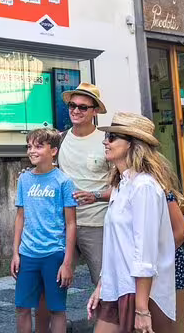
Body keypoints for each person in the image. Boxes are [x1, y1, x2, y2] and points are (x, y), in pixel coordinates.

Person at [87, 112, 177, 333]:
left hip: (137, 291)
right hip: (116, 286)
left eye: (112, 137)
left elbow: (145, 253)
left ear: (131, 144)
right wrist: (102, 285)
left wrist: (142, 310)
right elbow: (115, 246)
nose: (105, 141)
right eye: (106, 136)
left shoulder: (143, 186)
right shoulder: (121, 185)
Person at [35, 83, 110, 332]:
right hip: (62, 225)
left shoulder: (107, 142)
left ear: (94, 111)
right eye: (72, 105)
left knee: (105, 285)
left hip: (97, 224)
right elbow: (49, 174)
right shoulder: (61, 138)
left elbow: (121, 187)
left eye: (82, 107)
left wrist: (96, 195)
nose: (75, 110)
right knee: (49, 284)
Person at [12, 128, 78, 333]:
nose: (32, 151)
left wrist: (67, 262)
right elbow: (20, 217)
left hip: (54, 254)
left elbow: (71, 224)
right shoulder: (24, 179)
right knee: (22, 307)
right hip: (28, 253)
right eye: (29, 146)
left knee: (56, 308)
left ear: (54, 151)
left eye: (39, 146)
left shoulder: (64, 182)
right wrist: (15, 252)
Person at [166, 191, 184, 333]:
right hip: (150, 268)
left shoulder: (163, 193)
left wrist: (155, 256)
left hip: (172, 265)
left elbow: (182, 232)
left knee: (175, 324)